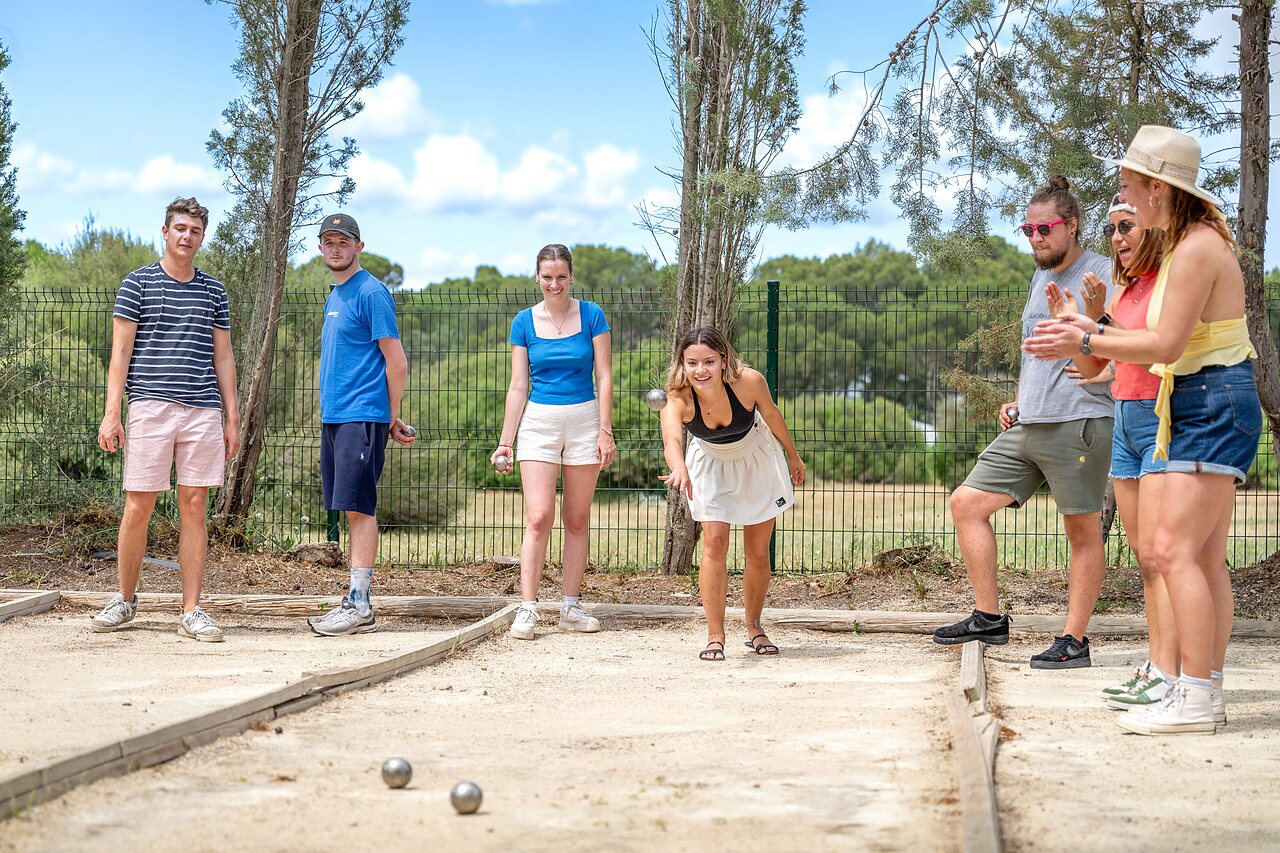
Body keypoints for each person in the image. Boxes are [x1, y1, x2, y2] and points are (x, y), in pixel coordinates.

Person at [1026, 126, 1260, 734]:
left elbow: (1164, 343)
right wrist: (1090, 328)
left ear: (1159, 188)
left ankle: (1197, 694)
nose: (1124, 198)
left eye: (1131, 185)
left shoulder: (1199, 247)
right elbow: (1137, 344)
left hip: (1209, 400)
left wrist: (1084, 335)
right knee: (1196, 555)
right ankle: (1192, 686)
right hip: (1191, 400)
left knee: (1174, 552)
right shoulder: (1186, 244)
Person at [932, 176, 1116, 669]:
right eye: (1027, 229)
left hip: (1080, 421)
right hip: (1029, 422)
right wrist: (1019, 400)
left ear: (1072, 226)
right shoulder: (1041, 276)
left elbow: (1126, 347)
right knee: (967, 504)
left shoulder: (1103, 273)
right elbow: (1033, 353)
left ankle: (1074, 641)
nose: (1035, 238)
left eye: (1044, 229)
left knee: (1082, 533)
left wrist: (1098, 351)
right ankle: (989, 618)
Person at [91, 197, 240, 642]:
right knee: (139, 506)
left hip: (201, 410)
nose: (185, 236)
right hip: (150, 407)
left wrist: (232, 419)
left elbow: (224, 356)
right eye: (179, 228)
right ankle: (124, 598)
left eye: (193, 230)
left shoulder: (214, 291)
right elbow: (120, 353)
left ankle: (192, 609)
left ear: (201, 237)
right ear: (165, 231)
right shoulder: (136, 284)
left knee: (195, 507)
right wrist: (111, 414)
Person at [1050, 198, 1179, 712]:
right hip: (1124, 417)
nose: (1117, 238)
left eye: (1127, 226)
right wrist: (1074, 330)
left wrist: (1094, 321)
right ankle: (1157, 667)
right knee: (1148, 560)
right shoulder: (1126, 289)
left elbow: (1159, 346)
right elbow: (1095, 370)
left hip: (1162, 418)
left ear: (1156, 227)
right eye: (1112, 230)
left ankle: (1177, 672)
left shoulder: (1171, 281)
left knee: (1167, 557)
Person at [659, 327, 805, 661]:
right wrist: (679, 466)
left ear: (724, 359)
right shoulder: (678, 396)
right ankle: (715, 635)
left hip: (756, 457)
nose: (701, 370)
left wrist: (793, 456)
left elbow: (771, 414)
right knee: (714, 542)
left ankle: (754, 626)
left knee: (757, 551)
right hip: (710, 463)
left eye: (709, 361)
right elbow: (671, 440)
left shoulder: (749, 381)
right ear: (682, 362)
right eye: (692, 362)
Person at [493, 243, 615, 640]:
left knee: (576, 520)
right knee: (539, 517)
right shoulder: (523, 322)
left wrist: (605, 430)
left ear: (571, 276)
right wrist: (505, 441)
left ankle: (570, 606)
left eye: (561, 276)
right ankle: (528, 608)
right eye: (547, 277)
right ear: (537, 278)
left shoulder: (592, 315)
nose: (554, 283)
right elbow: (517, 385)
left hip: (584, 419)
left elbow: (605, 377)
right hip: (539, 424)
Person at [307, 213, 415, 636]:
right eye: (328, 242)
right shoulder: (336, 295)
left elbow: (397, 363)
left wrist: (386, 417)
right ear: (321, 248)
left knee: (359, 507)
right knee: (348, 506)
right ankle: (354, 599)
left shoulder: (371, 292)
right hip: (337, 416)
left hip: (360, 415)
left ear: (358, 246)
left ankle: (361, 604)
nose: (335, 248)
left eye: (343, 241)